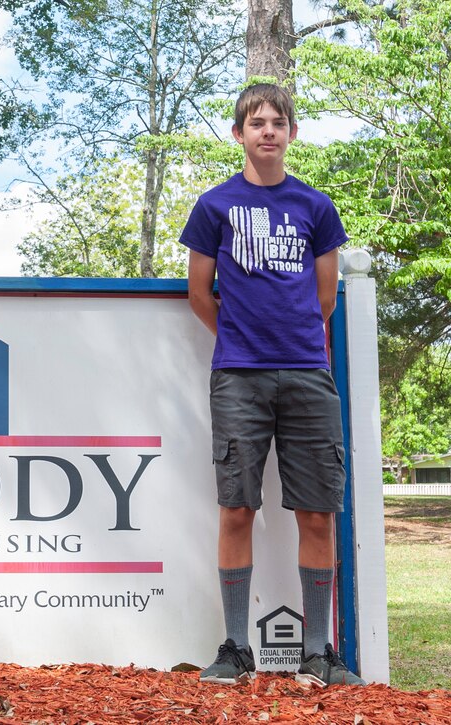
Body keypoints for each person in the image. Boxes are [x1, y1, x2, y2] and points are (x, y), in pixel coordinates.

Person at [179, 83, 365, 687]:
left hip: (309, 374)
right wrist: (239, 336)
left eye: (277, 122)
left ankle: (318, 652)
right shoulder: (214, 207)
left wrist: (289, 343)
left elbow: (325, 296)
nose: (266, 131)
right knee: (237, 508)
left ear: (290, 134)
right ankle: (235, 647)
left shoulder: (316, 207)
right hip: (238, 376)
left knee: (318, 513)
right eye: (255, 122)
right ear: (239, 134)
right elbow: (199, 295)